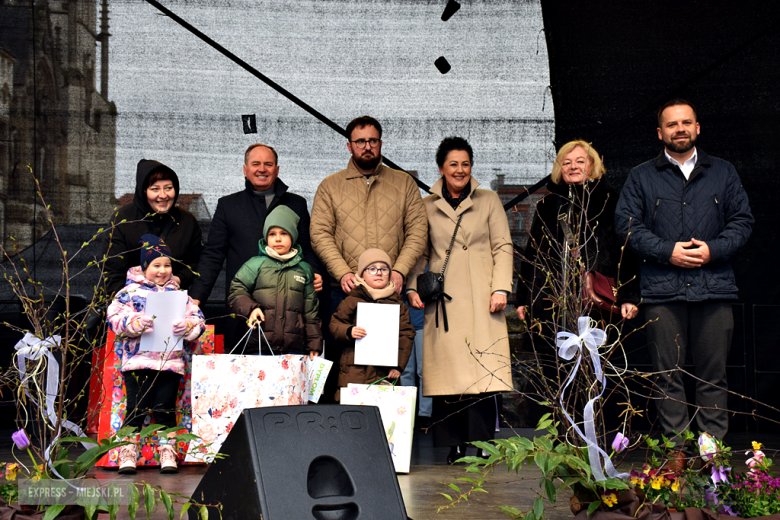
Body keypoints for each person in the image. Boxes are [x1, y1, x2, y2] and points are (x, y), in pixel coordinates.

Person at [614, 99, 753, 452]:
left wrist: (713, 250)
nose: (680, 129)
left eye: (686, 122)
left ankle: (711, 459)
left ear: (697, 127)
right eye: (672, 124)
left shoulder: (723, 172)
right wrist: (668, 251)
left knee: (713, 377)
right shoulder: (641, 176)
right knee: (667, 378)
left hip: (715, 288)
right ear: (660, 132)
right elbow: (626, 226)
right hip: (662, 292)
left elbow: (743, 221)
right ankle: (674, 455)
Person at [407, 137, 514, 464]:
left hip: (483, 297)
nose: (460, 170)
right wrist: (412, 287)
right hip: (445, 302)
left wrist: (501, 288)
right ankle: (454, 445)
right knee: (449, 377)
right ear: (441, 168)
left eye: (465, 164)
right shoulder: (425, 206)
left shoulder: (489, 200)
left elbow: (503, 246)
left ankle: (483, 444)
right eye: (453, 164)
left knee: (482, 374)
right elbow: (419, 251)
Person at [188, 144, 322, 344]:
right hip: (243, 307)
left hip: (288, 313)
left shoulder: (296, 204)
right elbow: (213, 255)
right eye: (256, 164)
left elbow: (306, 248)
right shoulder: (228, 205)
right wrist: (196, 297)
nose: (262, 169)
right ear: (245, 169)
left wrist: (313, 271)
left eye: (268, 164)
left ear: (277, 169)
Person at [106, 234, 206, 475]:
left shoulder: (179, 295)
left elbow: (199, 318)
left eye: (167, 265)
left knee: (164, 408)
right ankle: (128, 452)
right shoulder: (129, 292)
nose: (162, 271)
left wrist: (189, 326)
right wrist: (134, 322)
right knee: (136, 408)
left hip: (170, 363)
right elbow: (113, 317)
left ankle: (167, 451)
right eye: (156, 265)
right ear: (144, 267)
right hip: (138, 363)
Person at [516, 140, 639, 326]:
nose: (573, 166)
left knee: (598, 350)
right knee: (554, 353)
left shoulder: (610, 202)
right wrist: (523, 299)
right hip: (550, 300)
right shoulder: (546, 205)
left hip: (596, 298)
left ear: (592, 165)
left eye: (580, 161)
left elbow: (626, 252)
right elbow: (532, 254)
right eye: (566, 162)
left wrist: (628, 296)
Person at [227, 206, 322, 357]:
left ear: (293, 236)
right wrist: (251, 309)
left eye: (284, 233)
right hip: (259, 344)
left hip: (293, 348)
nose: (278, 239)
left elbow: (311, 313)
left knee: (290, 382)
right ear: (266, 237)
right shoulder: (255, 264)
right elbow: (236, 290)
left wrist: (314, 344)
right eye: (272, 234)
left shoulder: (304, 269)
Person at [103, 160, 204, 296]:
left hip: (172, 304)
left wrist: (176, 280)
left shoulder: (187, 221)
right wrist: (129, 303)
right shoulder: (123, 220)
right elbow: (113, 271)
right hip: (130, 306)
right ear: (143, 191)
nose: (163, 195)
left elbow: (197, 262)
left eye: (168, 188)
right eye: (155, 189)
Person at [329, 249, 415, 401]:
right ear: (362, 275)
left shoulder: (398, 304)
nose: (379, 273)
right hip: (353, 371)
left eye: (384, 269)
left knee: (383, 415)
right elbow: (335, 323)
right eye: (372, 269)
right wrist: (349, 331)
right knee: (352, 414)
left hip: (384, 373)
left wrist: (398, 366)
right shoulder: (352, 300)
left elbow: (406, 335)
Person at [399, 293, 433, 427]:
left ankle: (424, 414)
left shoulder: (423, 271)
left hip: (423, 325)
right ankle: (407, 411)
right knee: (405, 371)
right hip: (402, 327)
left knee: (423, 371)